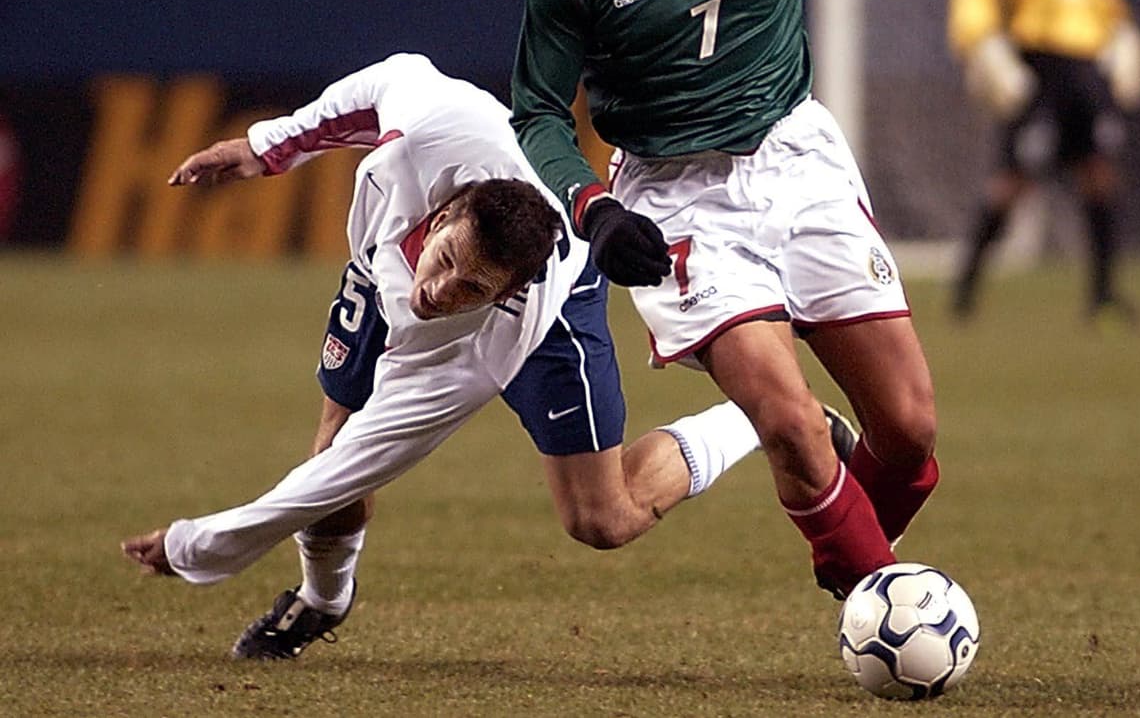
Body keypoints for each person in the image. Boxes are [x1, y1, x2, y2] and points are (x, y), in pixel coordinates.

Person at [503, 0, 1140, 600]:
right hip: (677, 198)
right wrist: (594, 207)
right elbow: (536, 113)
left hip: (795, 159)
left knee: (909, 434)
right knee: (792, 425)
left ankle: (856, 577)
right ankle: (881, 604)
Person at [122, 53, 761, 659]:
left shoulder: (492, 337)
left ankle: (760, 417)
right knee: (329, 443)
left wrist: (196, 546)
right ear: (448, 211)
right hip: (381, 270)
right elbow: (390, 77)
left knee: (602, 519)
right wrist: (269, 146)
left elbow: (354, 465)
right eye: (449, 259)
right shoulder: (437, 124)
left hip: (557, 312)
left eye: (472, 287)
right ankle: (322, 602)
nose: (439, 292)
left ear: (503, 293)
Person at [948, 0, 1140, 321]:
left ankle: (1103, 294)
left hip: (1087, 67)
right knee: (1013, 177)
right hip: (1038, 63)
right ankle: (966, 286)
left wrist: (1124, 37)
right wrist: (983, 44)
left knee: (1100, 172)